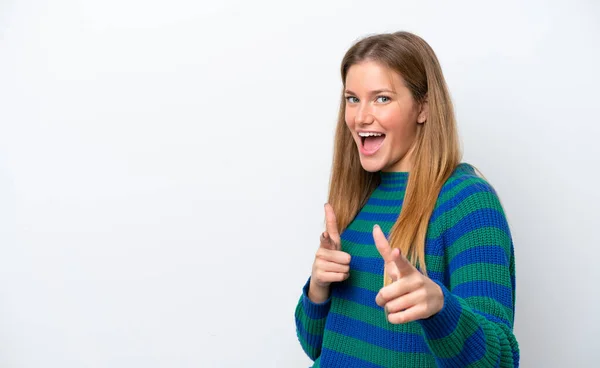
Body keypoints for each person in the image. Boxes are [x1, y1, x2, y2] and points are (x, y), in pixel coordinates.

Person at [294, 31, 519, 367]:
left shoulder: (467, 202)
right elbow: (315, 346)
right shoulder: (359, 196)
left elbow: (500, 359)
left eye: (381, 98)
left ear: (423, 108)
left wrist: (441, 308)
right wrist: (318, 288)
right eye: (352, 99)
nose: (360, 117)